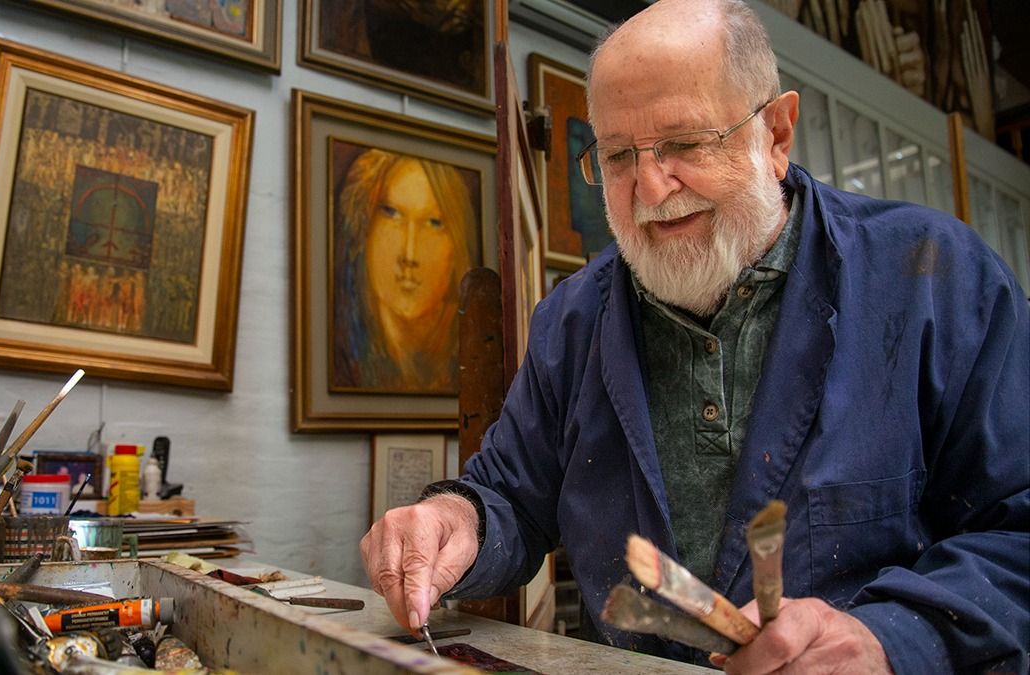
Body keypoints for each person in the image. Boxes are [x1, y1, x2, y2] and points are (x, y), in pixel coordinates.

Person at [359, 0, 1029, 672]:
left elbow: (1017, 528)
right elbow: (511, 497)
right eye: (618, 156)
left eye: (685, 144)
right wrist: (455, 519)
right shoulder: (571, 321)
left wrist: (892, 638)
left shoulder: (934, 279)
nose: (650, 189)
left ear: (776, 135)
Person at [333, 148, 479, 394]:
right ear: (364, 230)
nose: (409, 255)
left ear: (457, 245)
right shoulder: (343, 356)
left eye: (434, 223)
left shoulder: (471, 359)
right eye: (391, 213)